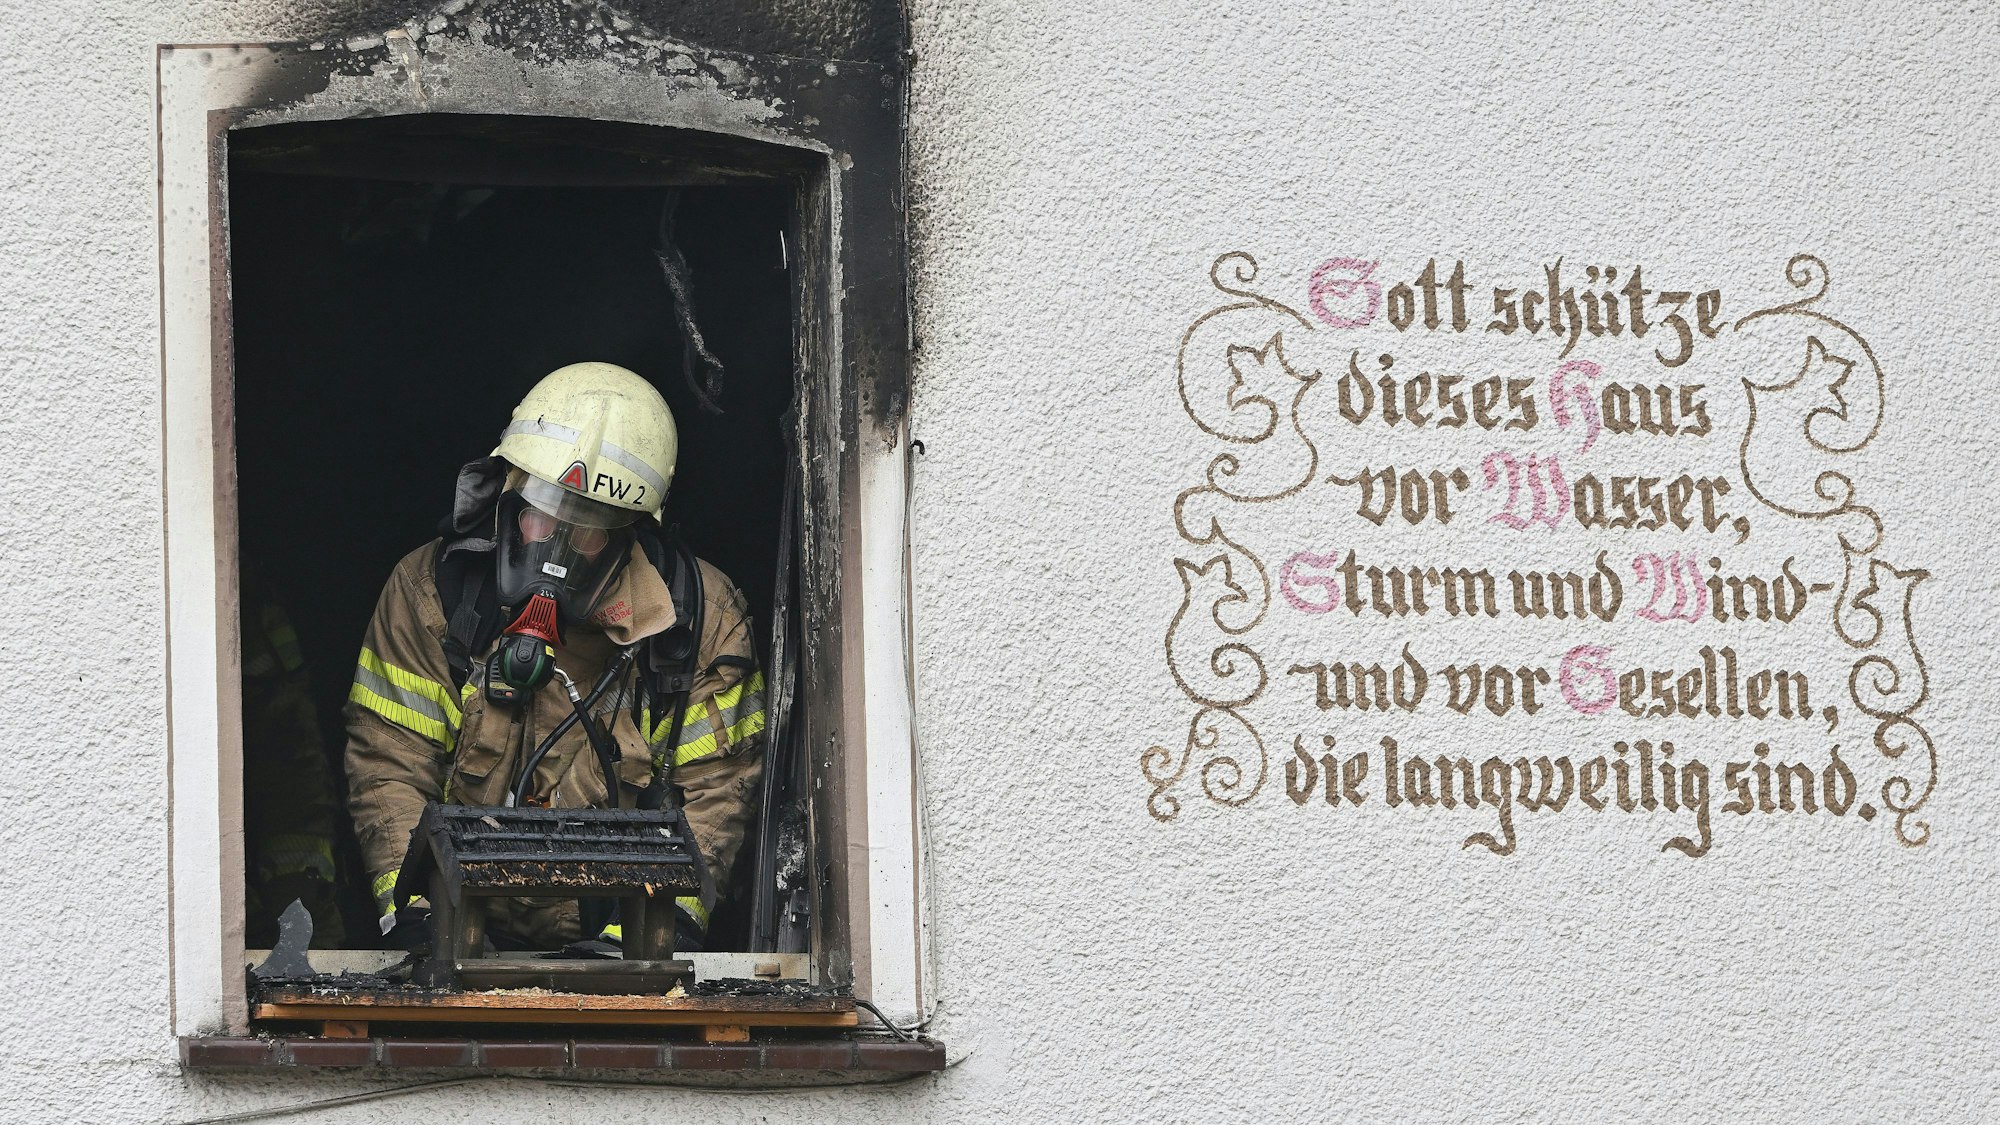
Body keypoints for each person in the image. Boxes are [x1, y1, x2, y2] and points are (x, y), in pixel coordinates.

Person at [343, 362, 765, 951]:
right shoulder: (434, 593)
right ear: (506, 487)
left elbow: (719, 791)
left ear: (632, 532)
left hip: (618, 934)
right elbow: (389, 759)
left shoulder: (700, 623)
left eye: (587, 526)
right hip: (456, 927)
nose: (555, 542)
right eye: (540, 509)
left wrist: (639, 942)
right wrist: (418, 915)